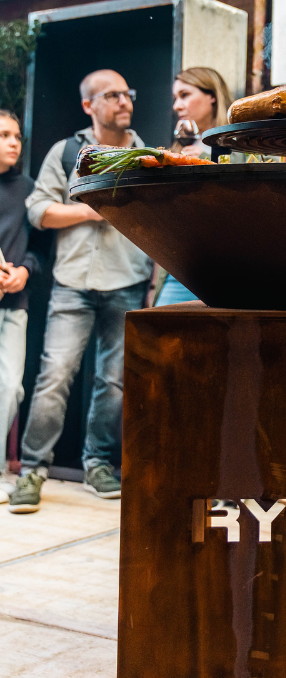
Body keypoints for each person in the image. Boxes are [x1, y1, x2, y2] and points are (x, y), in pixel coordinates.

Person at [9, 69, 151, 514]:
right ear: (89, 105)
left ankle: (98, 465)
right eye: (112, 95)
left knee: (114, 381)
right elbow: (38, 211)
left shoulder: (145, 155)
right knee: (54, 375)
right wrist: (92, 211)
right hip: (72, 282)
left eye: (127, 93)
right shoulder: (66, 152)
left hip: (127, 279)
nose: (124, 101)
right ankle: (33, 469)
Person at [155, 67, 234, 307]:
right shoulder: (178, 150)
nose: (177, 106)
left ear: (212, 96)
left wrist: (207, 160)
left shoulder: (239, 143)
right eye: (175, 98)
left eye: (185, 95)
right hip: (181, 268)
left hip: (232, 266)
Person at [0, 110, 39, 504]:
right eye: (3, 135)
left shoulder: (28, 188)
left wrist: (25, 271)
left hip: (15, 303)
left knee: (11, 385)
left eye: (16, 136)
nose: (13, 142)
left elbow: (40, 249)